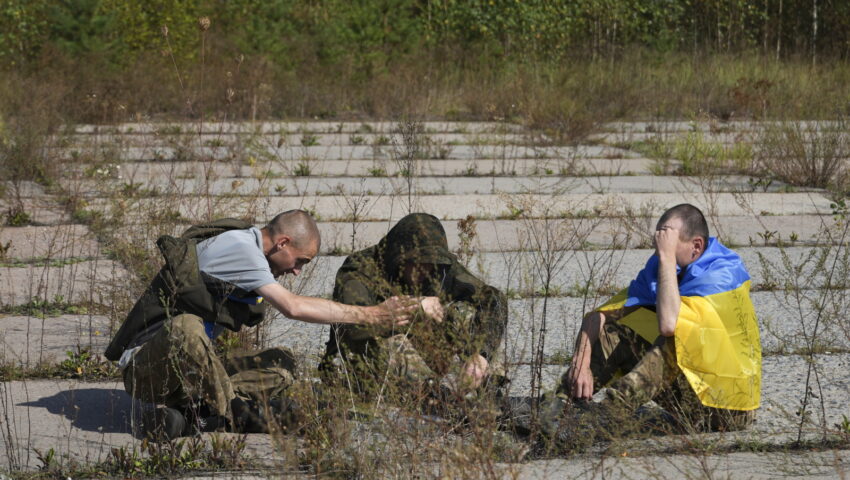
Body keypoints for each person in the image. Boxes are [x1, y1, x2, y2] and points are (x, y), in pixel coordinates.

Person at [105, 210, 425, 439]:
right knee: (186, 326)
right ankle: (234, 413)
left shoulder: (251, 246)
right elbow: (293, 307)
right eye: (300, 261)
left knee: (281, 362)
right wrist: (373, 314)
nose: (298, 271)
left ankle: (193, 417)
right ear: (283, 242)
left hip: (190, 370)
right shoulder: (242, 251)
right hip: (148, 372)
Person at [541, 204, 761, 440]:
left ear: (696, 245)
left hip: (725, 409)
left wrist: (667, 259)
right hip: (691, 394)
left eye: (668, 243)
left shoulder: (722, 276)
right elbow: (602, 314)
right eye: (659, 243)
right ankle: (562, 404)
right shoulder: (665, 265)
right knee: (616, 332)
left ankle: (608, 414)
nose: (659, 252)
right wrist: (580, 364)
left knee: (677, 339)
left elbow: (669, 326)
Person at [320, 213, 508, 408]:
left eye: (431, 265)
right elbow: (354, 325)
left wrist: (481, 355)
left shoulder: (439, 267)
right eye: (417, 265)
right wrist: (413, 307)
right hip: (362, 358)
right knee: (395, 339)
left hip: (420, 353)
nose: (425, 272)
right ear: (399, 259)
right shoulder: (360, 270)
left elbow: (493, 299)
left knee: (466, 313)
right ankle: (431, 396)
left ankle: (481, 386)